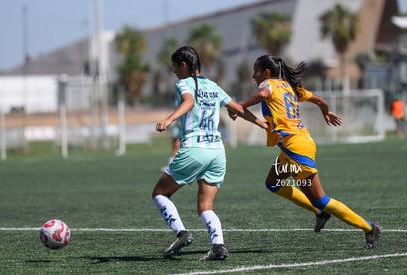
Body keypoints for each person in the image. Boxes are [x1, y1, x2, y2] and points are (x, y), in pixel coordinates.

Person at [229, 55, 381, 248]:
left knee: (321, 198)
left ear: (266, 72)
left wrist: (238, 106)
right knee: (273, 183)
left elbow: (262, 95)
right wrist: (326, 111)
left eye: (256, 71)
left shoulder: (268, 84)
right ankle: (319, 212)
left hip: (296, 148)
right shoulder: (289, 87)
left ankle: (369, 228)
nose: (253, 75)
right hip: (295, 146)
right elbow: (320, 100)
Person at [152, 46, 267, 260]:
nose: (174, 72)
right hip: (217, 152)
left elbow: (189, 101)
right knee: (206, 206)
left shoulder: (184, 83)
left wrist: (169, 120)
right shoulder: (214, 86)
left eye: (175, 67)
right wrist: (261, 123)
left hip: (195, 149)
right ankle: (218, 246)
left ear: (184, 65)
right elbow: (238, 109)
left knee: (160, 193)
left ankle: (181, 233)